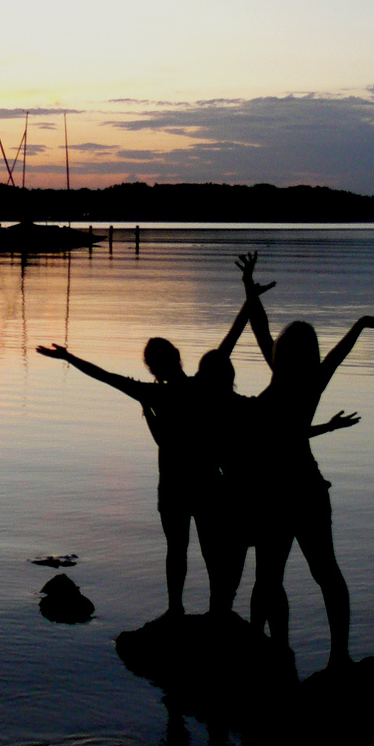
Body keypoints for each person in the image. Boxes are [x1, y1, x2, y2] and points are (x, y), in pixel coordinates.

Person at [36, 261, 275, 618]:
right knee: (211, 549)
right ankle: (216, 611)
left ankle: (176, 610)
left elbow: (106, 377)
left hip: (175, 485)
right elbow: (231, 338)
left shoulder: (153, 396)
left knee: (176, 549)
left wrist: (69, 357)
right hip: (208, 482)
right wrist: (248, 296)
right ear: (177, 357)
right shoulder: (203, 386)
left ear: (151, 368)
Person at [237, 254, 374, 669]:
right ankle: (329, 653)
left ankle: (286, 648)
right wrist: (359, 325)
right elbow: (263, 329)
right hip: (299, 489)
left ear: (284, 350)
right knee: (314, 574)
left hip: (281, 491)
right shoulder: (308, 382)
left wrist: (249, 287)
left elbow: (261, 328)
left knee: (279, 576)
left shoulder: (290, 379)